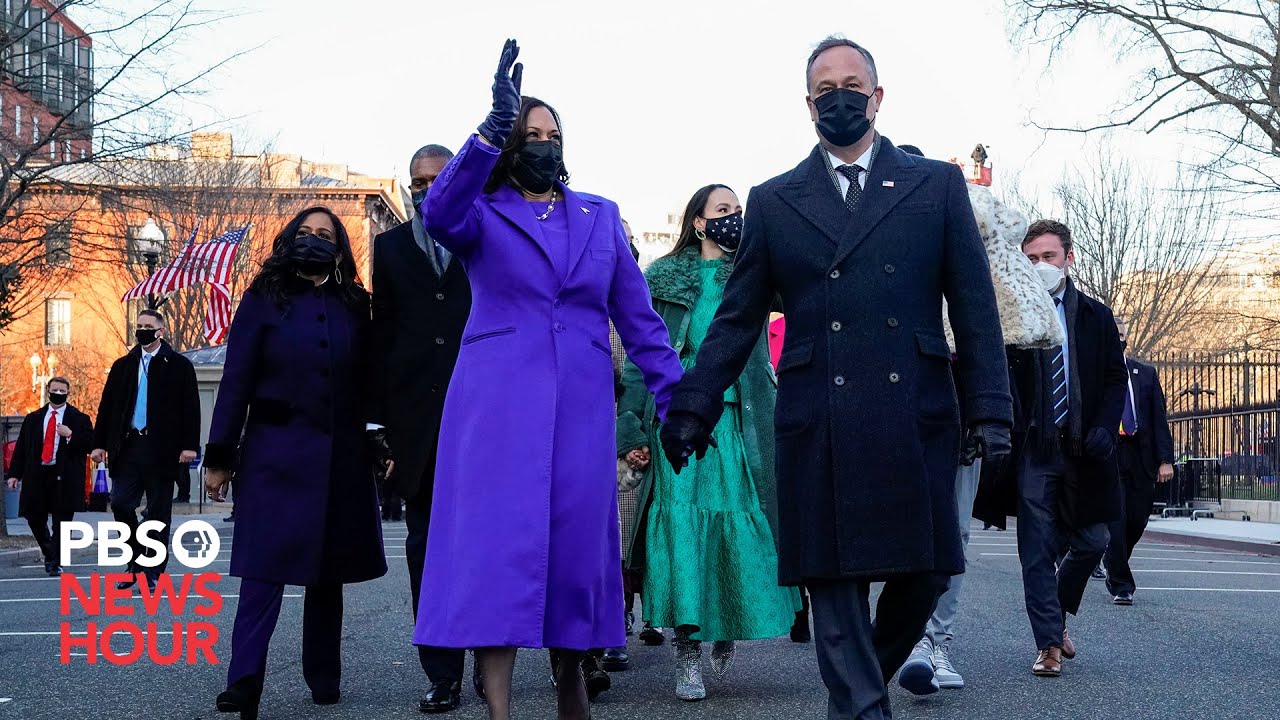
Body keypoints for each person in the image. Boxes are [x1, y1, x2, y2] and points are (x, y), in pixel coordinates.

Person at [658, 36, 1012, 720]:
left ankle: (855, 695)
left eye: (853, 84)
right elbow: (736, 320)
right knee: (834, 575)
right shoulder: (776, 199)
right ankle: (862, 708)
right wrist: (694, 407)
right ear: (809, 105)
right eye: (825, 88)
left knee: (929, 570)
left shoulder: (933, 185)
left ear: (877, 97)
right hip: (820, 412)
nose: (840, 96)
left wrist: (992, 408)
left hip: (914, 404)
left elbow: (973, 307)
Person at [413, 40, 683, 720]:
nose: (543, 144)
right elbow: (438, 213)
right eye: (529, 135)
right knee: (497, 551)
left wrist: (678, 399)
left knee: (574, 552)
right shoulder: (482, 210)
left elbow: (641, 320)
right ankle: (498, 707)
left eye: (552, 135)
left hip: (582, 408)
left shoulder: (599, 215)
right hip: (496, 405)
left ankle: (572, 688)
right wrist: (487, 130)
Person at [203, 207, 388, 719]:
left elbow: (370, 383)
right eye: (305, 233)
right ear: (288, 240)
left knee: (328, 575)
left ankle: (324, 676)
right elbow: (236, 379)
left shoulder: (355, 305)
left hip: (340, 460)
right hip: (272, 457)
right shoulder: (261, 299)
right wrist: (219, 457)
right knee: (262, 574)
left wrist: (379, 441)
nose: (314, 241)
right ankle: (243, 682)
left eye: (325, 235)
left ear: (340, 248)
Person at [617, 183, 799, 702]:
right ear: (698, 221)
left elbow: (808, 288)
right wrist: (630, 427)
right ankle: (687, 650)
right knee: (682, 534)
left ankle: (722, 624)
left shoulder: (758, 273)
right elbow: (638, 354)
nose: (733, 219)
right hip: (678, 421)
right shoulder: (665, 277)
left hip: (739, 426)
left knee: (737, 529)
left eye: (738, 211)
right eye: (723, 211)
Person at [897, 147, 1065, 696]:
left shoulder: (982, 257)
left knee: (951, 533)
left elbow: (1015, 338)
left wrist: (994, 419)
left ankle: (932, 645)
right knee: (891, 534)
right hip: (888, 416)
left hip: (955, 419)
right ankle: (890, 638)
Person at [975, 218, 1127, 679]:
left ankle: (1055, 616)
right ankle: (1047, 645)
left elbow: (1113, 376)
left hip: (1084, 447)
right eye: (1032, 258)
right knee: (1037, 547)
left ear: (1068, 258)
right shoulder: (1012, 316)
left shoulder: (1094, 315)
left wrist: (1105, 425)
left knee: (1093, 540)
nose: (1040, 265)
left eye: (1048, 256)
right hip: (1034, 448)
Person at [370, 143, 474, 714]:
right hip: (416, 427)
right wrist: (378, 424)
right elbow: (382, 335)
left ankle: (490, 663)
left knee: (483, 547)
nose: (424, 188)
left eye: (436, 178)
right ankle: (441, 672)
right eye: (416, 180)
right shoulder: (387, 248)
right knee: (425, 550)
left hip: (478, 417)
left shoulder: (482, 236)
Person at [91, 309, 200, 592]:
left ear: (160, 331)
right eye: (139, 325)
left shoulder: (178, 366)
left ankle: (152, 571)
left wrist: (190, 446)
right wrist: (99, 443)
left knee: (159, 512)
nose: (142, 330)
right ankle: (135, 560)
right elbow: (107, 407)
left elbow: (190, 408)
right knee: (121, 503)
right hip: (128, 446)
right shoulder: (123, 366)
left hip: (162, 449)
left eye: (148, 326)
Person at [1103, 317, 1175, 606]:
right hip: (1109, 454)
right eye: (1115, 334)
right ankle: (1122, 584)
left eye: (1122, 334)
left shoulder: (1144, 373)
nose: (1119, 338)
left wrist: (1165, 460)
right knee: (1116, 520)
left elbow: (1159, 418)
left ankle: (1114, 560)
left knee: (1137, 519)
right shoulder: (1097, 372)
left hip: (1141, 456)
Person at [5, 377, 93, 576]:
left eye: (63, 391)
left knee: (62, 522)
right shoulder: (34, 418)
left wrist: (70, 435)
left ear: (68, 393)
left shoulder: (79, 419)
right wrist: (14, 475)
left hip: (65, 477)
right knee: (33, 516)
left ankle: (54, 562)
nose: (58, 394)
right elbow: (21, 448)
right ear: (48, 390)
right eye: (55, 390)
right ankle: (50, 552)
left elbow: (89, 445)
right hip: (37, 474)